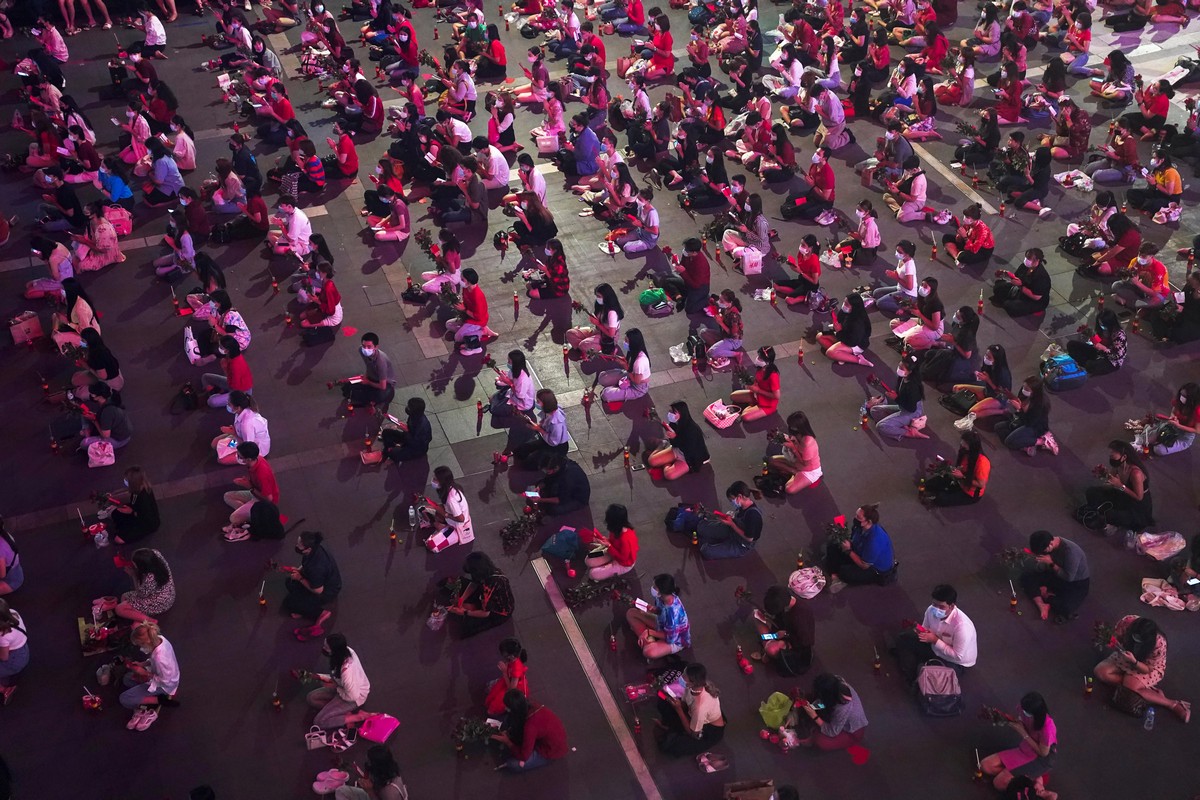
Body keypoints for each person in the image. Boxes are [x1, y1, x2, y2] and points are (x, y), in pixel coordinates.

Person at [1094, 615, 1190, 723]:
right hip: (1126, 656)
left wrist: (1134, 662)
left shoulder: (1159, 643)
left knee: (1130, 688)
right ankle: (1145, 690)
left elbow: (1147, 669)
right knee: (1100, 672)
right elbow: (1116, 637)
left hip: (1143, 665)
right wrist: (1111, 641)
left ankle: (1172, 704)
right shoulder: (1127, 621)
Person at [893, 584, 978, 684]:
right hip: (934, 645)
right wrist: (920, 630)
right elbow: (925, 628)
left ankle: (917, 672)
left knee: (933, 677)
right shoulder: (930, 610)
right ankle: (916, 673)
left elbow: (957, 655)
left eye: (941, 606)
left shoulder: (962, 627)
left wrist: (935, 640)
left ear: (952, 606)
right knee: (903, 638)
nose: (936, 609)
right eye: (934, 604)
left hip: (954, 662)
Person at [980, 693, 1057, 794]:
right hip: (1025, 749)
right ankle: (1029, 777)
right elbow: (1020, 721)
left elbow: (1043, 753)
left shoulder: (1048, 727)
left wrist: (1024, 734)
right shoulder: (1023, 707)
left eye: (1026, 712)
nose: (1023, 712)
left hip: (1040, 759)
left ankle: (1035, 783)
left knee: (998, 783)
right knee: (985, 765)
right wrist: (1002, 717)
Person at [654, 663, 725, 757]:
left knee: (669, 746)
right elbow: (686, 703)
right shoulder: (691, 688)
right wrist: (675, 704)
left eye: (684, 677)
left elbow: (693, 733)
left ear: (692, 683)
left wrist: (678, 709)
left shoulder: (700, 707)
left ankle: (672, 729)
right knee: (663, 703)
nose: (681, 678)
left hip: (708, 730)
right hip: (693, 714)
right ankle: (671, 727)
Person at [120, 621, 180, 731]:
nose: (139, 648)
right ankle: (147, 699)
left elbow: (165, 680)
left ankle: (160, 700)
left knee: (125, 699)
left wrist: (145, 673)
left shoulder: (160, 659)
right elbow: (153, 659)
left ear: (146, 643)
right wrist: (142, 664)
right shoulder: (160, 638)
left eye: (140, 645)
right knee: (127, 679)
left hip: (165, 686)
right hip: (165, 676)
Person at [306, 633, 374, 731]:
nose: (324, 648)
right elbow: (336, 677)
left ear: (335, 651)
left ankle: (358, 716)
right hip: (343, 688)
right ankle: (341, 712)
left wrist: (336, 688)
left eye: (326, 647)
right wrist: (317, 676)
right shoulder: (346, 652)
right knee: (311, 698)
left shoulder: (346, 672)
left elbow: (353, 696)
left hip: (354, 697)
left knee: (319, 722)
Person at [1020, 531, 1090, 623]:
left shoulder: (1071, 553)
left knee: (1066, 608)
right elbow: (1041, 569)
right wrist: (1042, 563)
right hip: (1055, 574)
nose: (1042, 553)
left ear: (1050, 544)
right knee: (1026, 577)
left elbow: (1068, 577)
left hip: (1075, 582)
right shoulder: (1048, 546)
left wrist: (1051, 563)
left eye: (1043, 551)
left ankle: (1046, 595)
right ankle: (1041, 604)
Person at [1086, 440, 1154, 534]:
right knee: (1091, 492)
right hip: (1122, 495)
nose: (1111, 455)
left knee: (1110, 514)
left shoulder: (1136, 473)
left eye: (1113, 453)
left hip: (1136, 506)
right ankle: (1102, 514)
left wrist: (1120, 486)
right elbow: (1110, 486)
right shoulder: (1118, 466)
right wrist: (1104, 476)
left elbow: (1139, 497)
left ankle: (1112, 520)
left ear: (1124, 457)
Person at [283, 531, 342, 640]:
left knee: (290, 603)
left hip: (326, 592)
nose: (296, 547)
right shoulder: (315, 550)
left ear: (308, 549)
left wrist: (300, 578)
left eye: (299, 546)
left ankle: (321, 613)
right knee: (290, 583)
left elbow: (318, 590)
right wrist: (299, 570)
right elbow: (306, 563)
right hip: (320, 581)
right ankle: (303, 606)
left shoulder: (317, 568)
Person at [790, 674, 868, 752]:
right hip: (833, 709)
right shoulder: (835, 681)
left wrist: (814, 716)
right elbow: (822, 701)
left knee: (820, 741)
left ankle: (847, 741)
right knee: (808, 701)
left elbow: (832, 731)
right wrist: (811, 706)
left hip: (852, 732)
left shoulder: (843, 707)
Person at [493, 690, 567, 772]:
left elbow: (524, 756)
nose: (505, 708)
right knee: (508, 720)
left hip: (550, 750)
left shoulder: (531, 727)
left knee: (513, 764)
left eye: (508, 707)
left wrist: (507, 742)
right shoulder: (531, 705)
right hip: (546, 738)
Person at [444, 552, 514, 638]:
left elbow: (485, 613)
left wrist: (464, 612)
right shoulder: (489, 571)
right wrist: (462, 599)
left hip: (499, 613)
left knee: (466, 628)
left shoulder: (489, 586)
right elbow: (474, 583)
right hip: (486, 597)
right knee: (457, 582)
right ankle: (472, 605)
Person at [826, 504, 896, 589]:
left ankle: (840, 575)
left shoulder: (875, 541)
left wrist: (849, 550)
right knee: (832, 546)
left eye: (858, 517)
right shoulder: (860, 527)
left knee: (844, 572)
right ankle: (836, 575)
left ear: (868, 522)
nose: (855, 518)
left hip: (874, 569)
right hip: (860, 552)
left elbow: (864, 565)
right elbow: (854, 539)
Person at [753, 585, 815, 674]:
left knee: (771, 649)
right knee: (756, 615)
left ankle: (768, 647)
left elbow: (806, 641)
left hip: (795, 644)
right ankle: (768, 645)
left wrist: (786, 635)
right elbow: (779, 620)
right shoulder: (785, 603)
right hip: (781, 631)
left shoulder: (800, 615)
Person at [626, 573, 690, 659]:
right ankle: (649, 639)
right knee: (631, 613)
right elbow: (660, 611)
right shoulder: (662, 597)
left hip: (675, 640)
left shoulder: (673, 613)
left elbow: (671, 638)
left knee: (648, 652)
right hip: (661, 624)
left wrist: (649, 632)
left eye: (655, 587)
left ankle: (648, 639)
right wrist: (652, 609)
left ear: (661, 591)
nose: (652, 588)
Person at [222, 441, 279, 537]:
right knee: (227, 496)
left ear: (248, 459)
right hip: (255, 493)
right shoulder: (257, 460)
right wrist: (248, 482)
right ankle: (246, 512)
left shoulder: (262, 474)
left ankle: (251, 517)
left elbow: (269, 499)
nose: (238, 457)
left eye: (240, 456)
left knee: (233, 518)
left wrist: (250, 487)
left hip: (262, 501)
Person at [696, 482, 764, 560]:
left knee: (706, 551)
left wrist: (732, 524)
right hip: (733, 530)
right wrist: (731, 518)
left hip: (741, 544)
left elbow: (749, 538)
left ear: (739, 496)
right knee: (701, 528)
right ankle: (715, 539)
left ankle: (715, 541)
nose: (732, 502)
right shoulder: (743, 506)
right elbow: (738, 518)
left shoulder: (753, 515)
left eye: (732, 500)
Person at [867, 354, 928, 440]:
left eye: (902, 368)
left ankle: (909, 433)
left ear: (910, 372)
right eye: (899, 366)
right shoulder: (903, 377)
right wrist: (895, 395)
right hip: (902, 406)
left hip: (912, 411)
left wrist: (896, 398)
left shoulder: (913, 387)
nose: (899, 369)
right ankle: (899, 424)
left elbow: (911, 408)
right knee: (874, 410)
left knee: (880, 426)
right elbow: (901, 394)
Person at [923, 431, 990, 506]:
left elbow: (981, 484)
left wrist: (962, 476)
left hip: (969, 492)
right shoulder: (965, 452)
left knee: (941, 498)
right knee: (929, 484)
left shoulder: (982, 462)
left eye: (965, 443)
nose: (962, 443)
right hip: (959, 480)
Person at [646, 401, 709, 481]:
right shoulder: (674, 424)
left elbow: (689, 450)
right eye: (670, 411)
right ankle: (663, 446)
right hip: (677, 449)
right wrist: (672, 438)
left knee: (669, 475)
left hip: (689, 458)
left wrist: (675, 437)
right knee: (652, 461)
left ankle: (668, 463)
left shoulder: (692, 429)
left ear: (682, 413)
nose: (670, 413)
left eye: (674, 412)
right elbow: (675, 445)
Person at [1135, 383, 1200, 457]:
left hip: (1183, 436)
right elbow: (1173, 412)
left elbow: (1197, 430)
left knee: (1158, 450)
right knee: (1145, 439)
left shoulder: (1198, 411)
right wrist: (1173, 417)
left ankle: (1156, 432)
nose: (1182, 397)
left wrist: (1179, 426)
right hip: (1172, 426)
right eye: (1181, 394)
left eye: (1185, 396)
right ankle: (1154, 430)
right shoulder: (1178, 401)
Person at [419, 467, 475, 552]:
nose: (433, 481)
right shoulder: (451, 488)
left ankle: (438, 526)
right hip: (449, 518)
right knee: (422, 509)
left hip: (458, 528)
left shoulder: (451, 499)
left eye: (435, 479)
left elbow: (461, 519)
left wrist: (445, 514)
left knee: (431, 545)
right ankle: (439, 526)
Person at [996, 376, 1055, 456]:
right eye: (1024, 387)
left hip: (1034, 426)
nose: (1024, 390)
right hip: (1022, 418)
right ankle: (1026, 444)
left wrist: (1019, 409)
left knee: (1008, 442)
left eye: (1027, 389)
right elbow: (1019, 401)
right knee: (998, 427)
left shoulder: (1039, 404)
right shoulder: (1024, 392)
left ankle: (1042, 441)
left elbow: (1029, 422)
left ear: (1034, 392)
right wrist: (1010, 396)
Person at [114, 547, 175, 625]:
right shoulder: (156, 554)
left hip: (160, 602)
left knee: (119, 609)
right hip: (168, 593)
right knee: (124, 597)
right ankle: (137, 615)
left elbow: (141, 594)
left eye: (135, 565)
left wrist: (133, 575)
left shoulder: (150, 578)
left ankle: (149, 621)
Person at [767, 411, 822, 495]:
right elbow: (792, 442)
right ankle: (794, 472)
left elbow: (805, 463)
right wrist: (782, 439)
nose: (790, 428)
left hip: (808, 470)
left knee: (789, 489)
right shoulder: (798, 435)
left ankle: (794, 472)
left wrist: (792, 448)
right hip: (796, 461)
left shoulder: (808, 442)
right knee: (771, 461)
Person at [446, 269, 497, 355]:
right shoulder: (466, 288)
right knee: (448, 324)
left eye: (463, 280)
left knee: (457, 338)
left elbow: (479, 317)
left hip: (478, 321)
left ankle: (482, 332)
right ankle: (472, 332)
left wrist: (464, 310)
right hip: (468, 316)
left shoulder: (477, 296)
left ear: (469, 282)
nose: (460, 281)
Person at [582, 504, 639, 580]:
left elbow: (623, 558)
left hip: (623, 563)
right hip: (612, 551)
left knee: (592, 574)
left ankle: (608, 566)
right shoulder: (616, 529)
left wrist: (609, 546)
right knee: (588, 560)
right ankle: (606, 563)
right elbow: (612, 543)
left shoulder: (626, 538)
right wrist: (604, 541)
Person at [340, 333, 396, 408]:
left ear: (376, 347)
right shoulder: (361, 350)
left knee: (377, 396)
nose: (365, 349)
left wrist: (368, 382)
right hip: (372, 376)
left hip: (385, 383)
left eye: (369, 347)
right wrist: (366, 376)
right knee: (347, 388)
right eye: (364, 346)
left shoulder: (381, 362)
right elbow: (368, 365)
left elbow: (383, 386)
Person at [566, 284, 623, 357]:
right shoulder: (601, 305)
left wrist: (598, 324)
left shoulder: (612, 313)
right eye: (597, 296)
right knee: (570, 333)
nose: (597, 298)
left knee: (583, 345)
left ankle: (588, 347)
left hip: (607, 338)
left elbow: (611, 335)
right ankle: (585, 348)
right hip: (596, 331)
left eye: (599, 296)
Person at [108, 467, 161, 545]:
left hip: (147, 524)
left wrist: (131, 511)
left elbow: (145, 517)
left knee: (118, 539)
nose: (125, 481)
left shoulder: (143, 498)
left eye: (127, 480)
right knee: (115, 513)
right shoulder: (139, 489)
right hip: (136, 511)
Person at [818, 293, 873, 367]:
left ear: (854, 307)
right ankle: (843, 355)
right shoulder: (846, 311)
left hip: (855, 343)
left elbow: (852, 342)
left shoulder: (857, 322)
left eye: (847, 304)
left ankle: (858, 360)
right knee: (820, 337)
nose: (844, 305)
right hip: (843, 335)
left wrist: (839, 332)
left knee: (830, 353)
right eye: (844, 302)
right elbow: (839, 321)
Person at [1066, 309, 1126, 376]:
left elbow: (1117, 356)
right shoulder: (1103, 329)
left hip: (1111, 361)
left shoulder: (1119, 335)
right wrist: (1090, 335)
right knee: (1071, 344)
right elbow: (1099, 341)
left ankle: (1084, 362)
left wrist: (1104, 348)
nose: (1101, 326)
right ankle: (1084, 362)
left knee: (1090, 365)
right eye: (1100, 323)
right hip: (1099, 353)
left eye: (1103, 324)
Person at [1111, 242, 1169, 312]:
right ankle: (1138, 305)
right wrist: (1125, 275)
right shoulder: (1135, 261)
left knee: (1157, 302)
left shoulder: (1159, 268)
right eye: (1139, 254)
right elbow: (1128, 279)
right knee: (1116, 285)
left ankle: (1126, 302)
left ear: (1151, 256)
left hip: (1156, 295)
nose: (1140, 257)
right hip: (1140, 289)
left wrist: (1137, 283)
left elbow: (1155, 294)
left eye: (1144, 256)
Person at [334, 746, 409, 800]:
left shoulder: (389, 792)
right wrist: (346, 765)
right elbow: (365, 776)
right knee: (340, 791)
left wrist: (369, 791)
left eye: (369, 761)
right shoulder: (386, 771)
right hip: (375, 794)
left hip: (375, 795)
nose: (366, 762)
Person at [599, 328, 651, 405]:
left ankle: (619, 389)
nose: (624, 342)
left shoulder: (640, 362)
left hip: (638, 388)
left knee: (605, 394)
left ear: (633, 343)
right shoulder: (633, 351)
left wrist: (625, 366)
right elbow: (629, 365)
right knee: (602, 378)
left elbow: (637, 381)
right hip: (629, 376)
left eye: (627, 341)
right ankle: (618, 387)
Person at [993, 249, 1051, 317]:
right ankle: (1011, 298)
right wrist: (1005, 273)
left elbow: (1036, 297)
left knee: (1010, 306)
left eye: (1029, 258)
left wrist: (1020, 286)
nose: (1026, 260)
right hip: (1020, 290)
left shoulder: (1041, 276)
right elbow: (1016, 277)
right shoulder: (1025, 266)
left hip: (1034, 301)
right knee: (998, 287)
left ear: (1037, 260)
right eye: (1026, 257)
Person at [729, 346, 780, 423]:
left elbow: (777, 396)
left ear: (767, 361)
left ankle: (755, 406)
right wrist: (753, 385)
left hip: (768, 404)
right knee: (733, 396)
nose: (758, 359)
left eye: (760, 358)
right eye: (758, 356)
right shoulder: (760, 368)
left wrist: (758, 390)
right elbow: (758, 381)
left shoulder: (773, 375)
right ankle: (754, 404)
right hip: (757, 395)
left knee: (745, 417)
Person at [79, 382, 133, 452]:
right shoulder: (110, 399)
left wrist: (94, 420)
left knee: (84, 444)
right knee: (83, 414)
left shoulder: (107, 412)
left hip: (118, 440)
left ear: (99, 396)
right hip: (118, 430)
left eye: (92, 394)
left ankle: (88, 437)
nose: (91, 396)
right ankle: (89, 435)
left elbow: (106, 436)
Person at [485, 638, 529, 716]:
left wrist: (504, 672)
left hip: (513, 689)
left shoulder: (517, 668)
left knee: (493, 707)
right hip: (509, 680)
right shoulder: (513, 660)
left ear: (511, 656)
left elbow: (512, 690)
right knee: (493, 694)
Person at [0, 601, 27, 705]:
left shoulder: (3, 636)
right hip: (23, 648)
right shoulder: (13, 612)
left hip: (14, 660)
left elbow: (3, 657)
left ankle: (5, 690)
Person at [0, 521, 22, 597]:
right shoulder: (4, 534)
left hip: (10, 581)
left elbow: (2, 575)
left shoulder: (0, 549)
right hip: (15, 571)